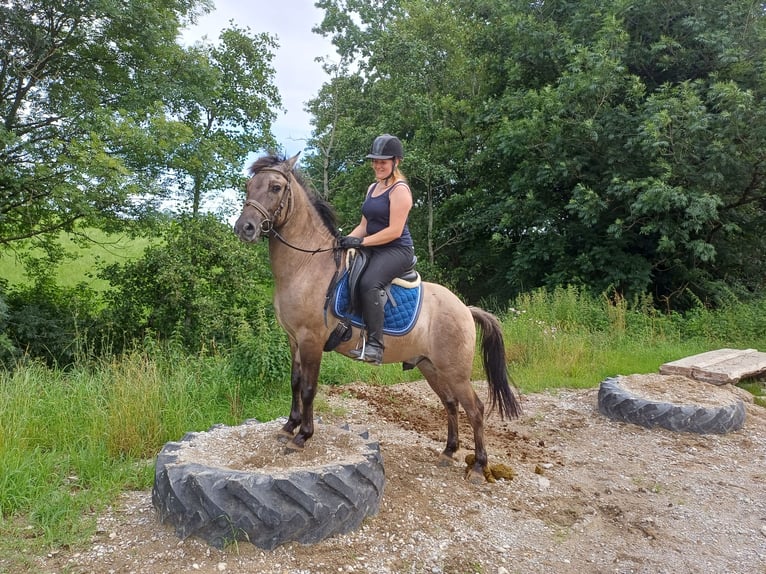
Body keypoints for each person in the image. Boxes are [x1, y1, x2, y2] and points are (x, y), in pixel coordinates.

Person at [338, 134, 415, 365]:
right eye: (375, 160)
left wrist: (361, 243)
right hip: (374, 246)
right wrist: (344, 240)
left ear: (396, 162)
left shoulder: (400, 190)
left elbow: (394, 231)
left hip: (397, 249)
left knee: (369, 282)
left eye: (383, 161)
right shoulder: (373, 188)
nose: (377, 165)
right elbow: (363, 226)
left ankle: (375, 346)